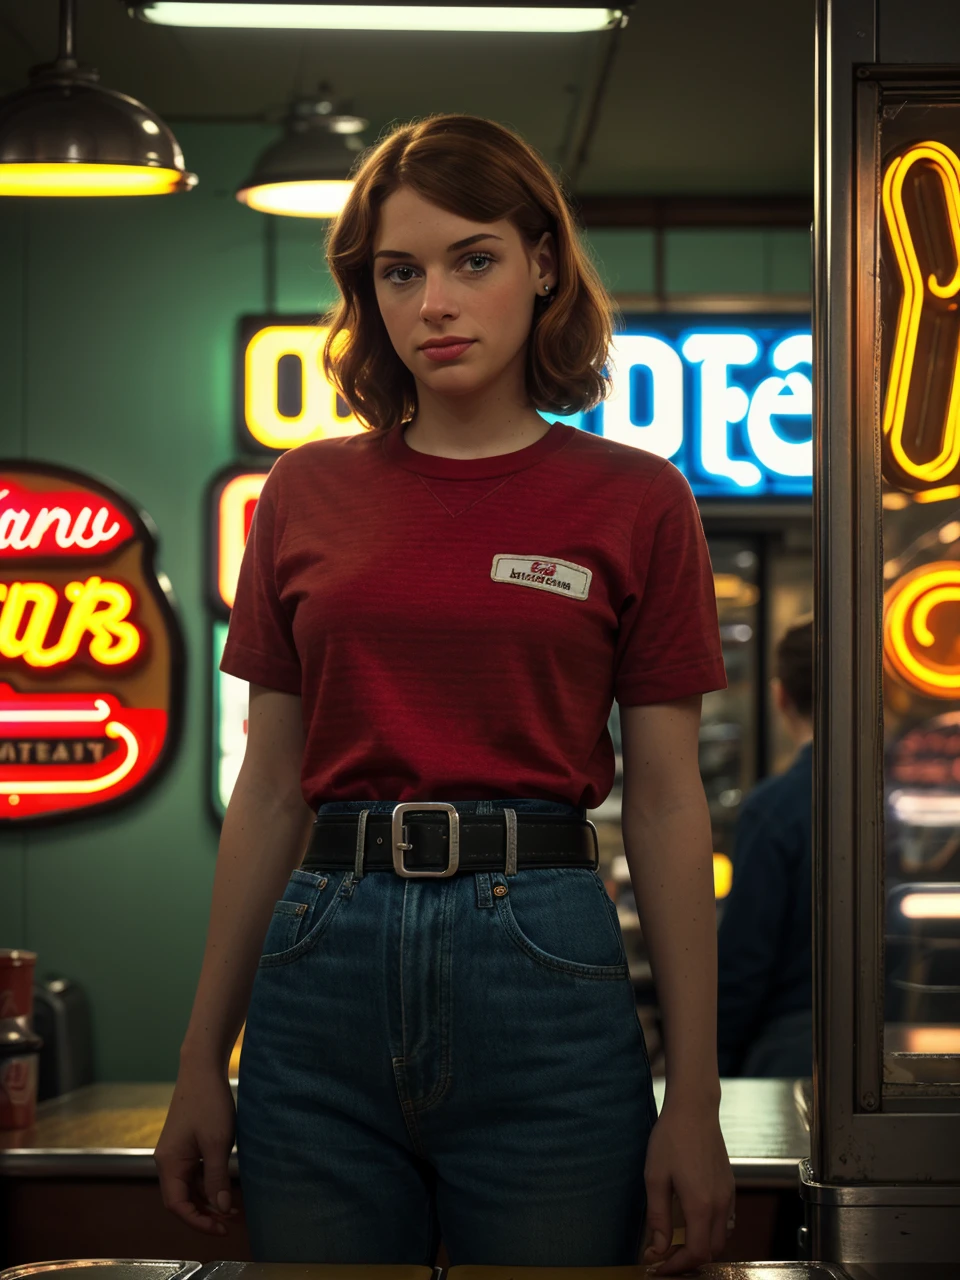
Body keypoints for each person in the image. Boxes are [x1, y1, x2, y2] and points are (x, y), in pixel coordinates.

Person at [153, 113, 736, 1274]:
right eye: (399, 271)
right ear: (367, 292)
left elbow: (670, 804)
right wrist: (197, 1062)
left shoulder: (636, 498)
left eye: (474, 258)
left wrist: (696, 1100)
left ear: (544, 265)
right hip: (321, 963)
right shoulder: (304, 491)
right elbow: (269, 789)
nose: (435, 303)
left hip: (547, 966)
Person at [716, 617, 814, 1078]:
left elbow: (743, 963)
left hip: (792, 1050)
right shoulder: (901, 803)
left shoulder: (773, 809)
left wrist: (717, 1062)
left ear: (781, 697)